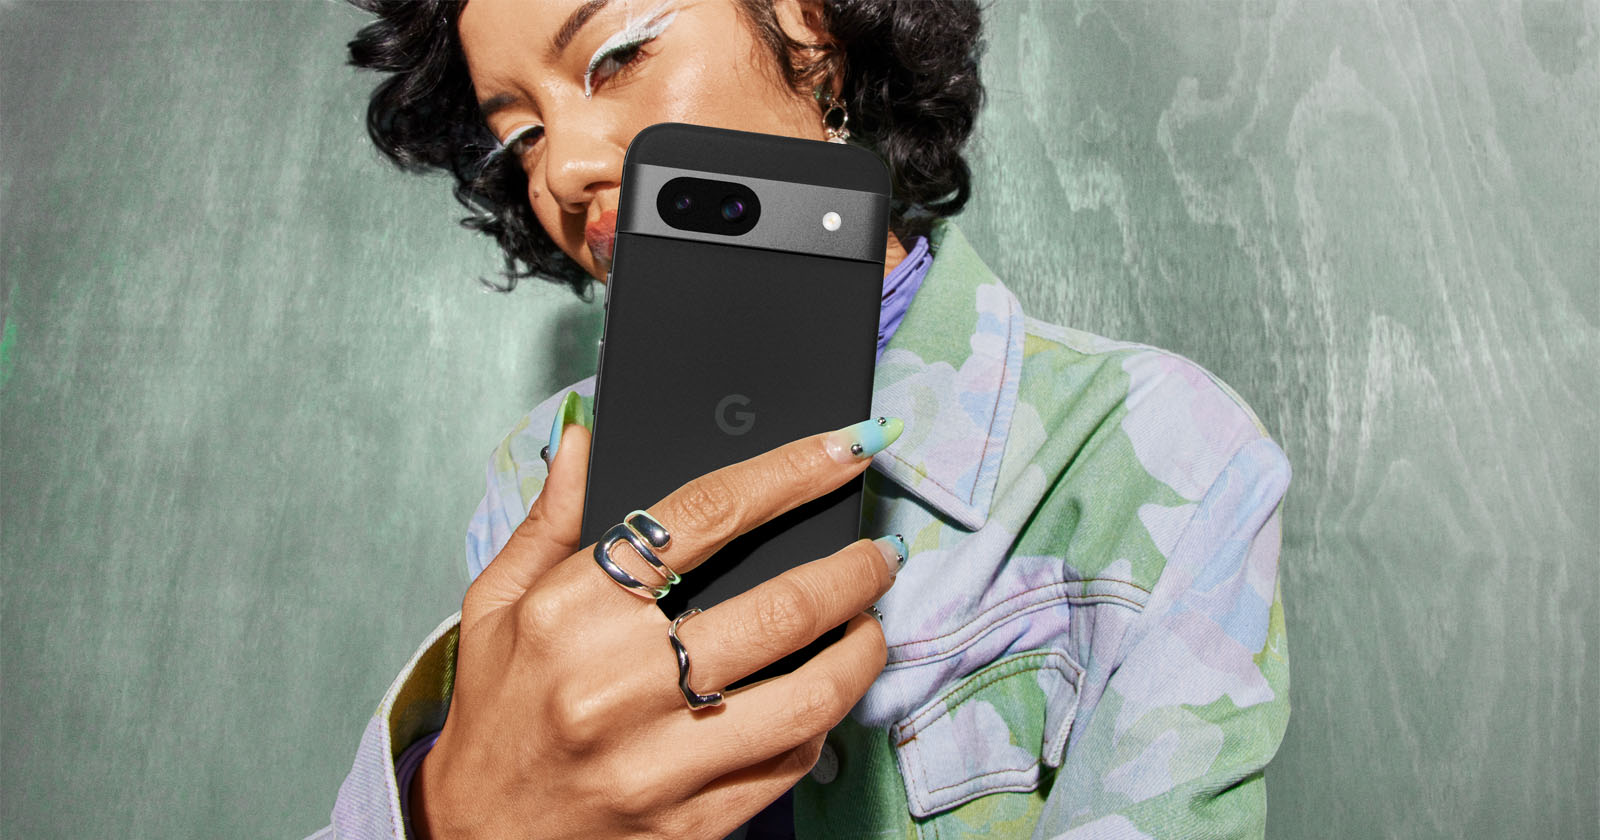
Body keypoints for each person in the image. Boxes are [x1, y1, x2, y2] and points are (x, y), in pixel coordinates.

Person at [314, 0, 1293, 837]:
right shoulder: (540, 470)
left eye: (614, 57)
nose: (561, 167)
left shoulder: (1154, 448)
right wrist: (448, 811)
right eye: (521, 134)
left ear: (808, 27)